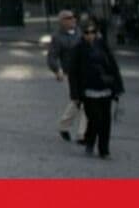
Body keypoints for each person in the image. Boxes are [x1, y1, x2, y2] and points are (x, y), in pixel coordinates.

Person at [68, 21, 125, 159]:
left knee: (105, 121)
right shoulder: (78, 49)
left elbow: (113, 66)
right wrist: (75, 95)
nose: (90, 35)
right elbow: (73, 73)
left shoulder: (102, 46)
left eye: (93, 32)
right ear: (83, 34)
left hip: (105, 88)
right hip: (88, 91)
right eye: (87, 32)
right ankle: (90, 140)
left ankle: (104, 150)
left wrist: (118, 87)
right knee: (95, 119)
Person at [46, 9, 85, 143]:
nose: (73, 19)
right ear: (62, 21)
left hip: (84, 71)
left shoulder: (80, 32)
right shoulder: (58, 37)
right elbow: (52, 56)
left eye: (73, 17)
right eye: (69, 18)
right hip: (70, 73)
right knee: (77, 100)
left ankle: (79, 132)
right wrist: (57, 70)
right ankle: (77, 131)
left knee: (83, 101)